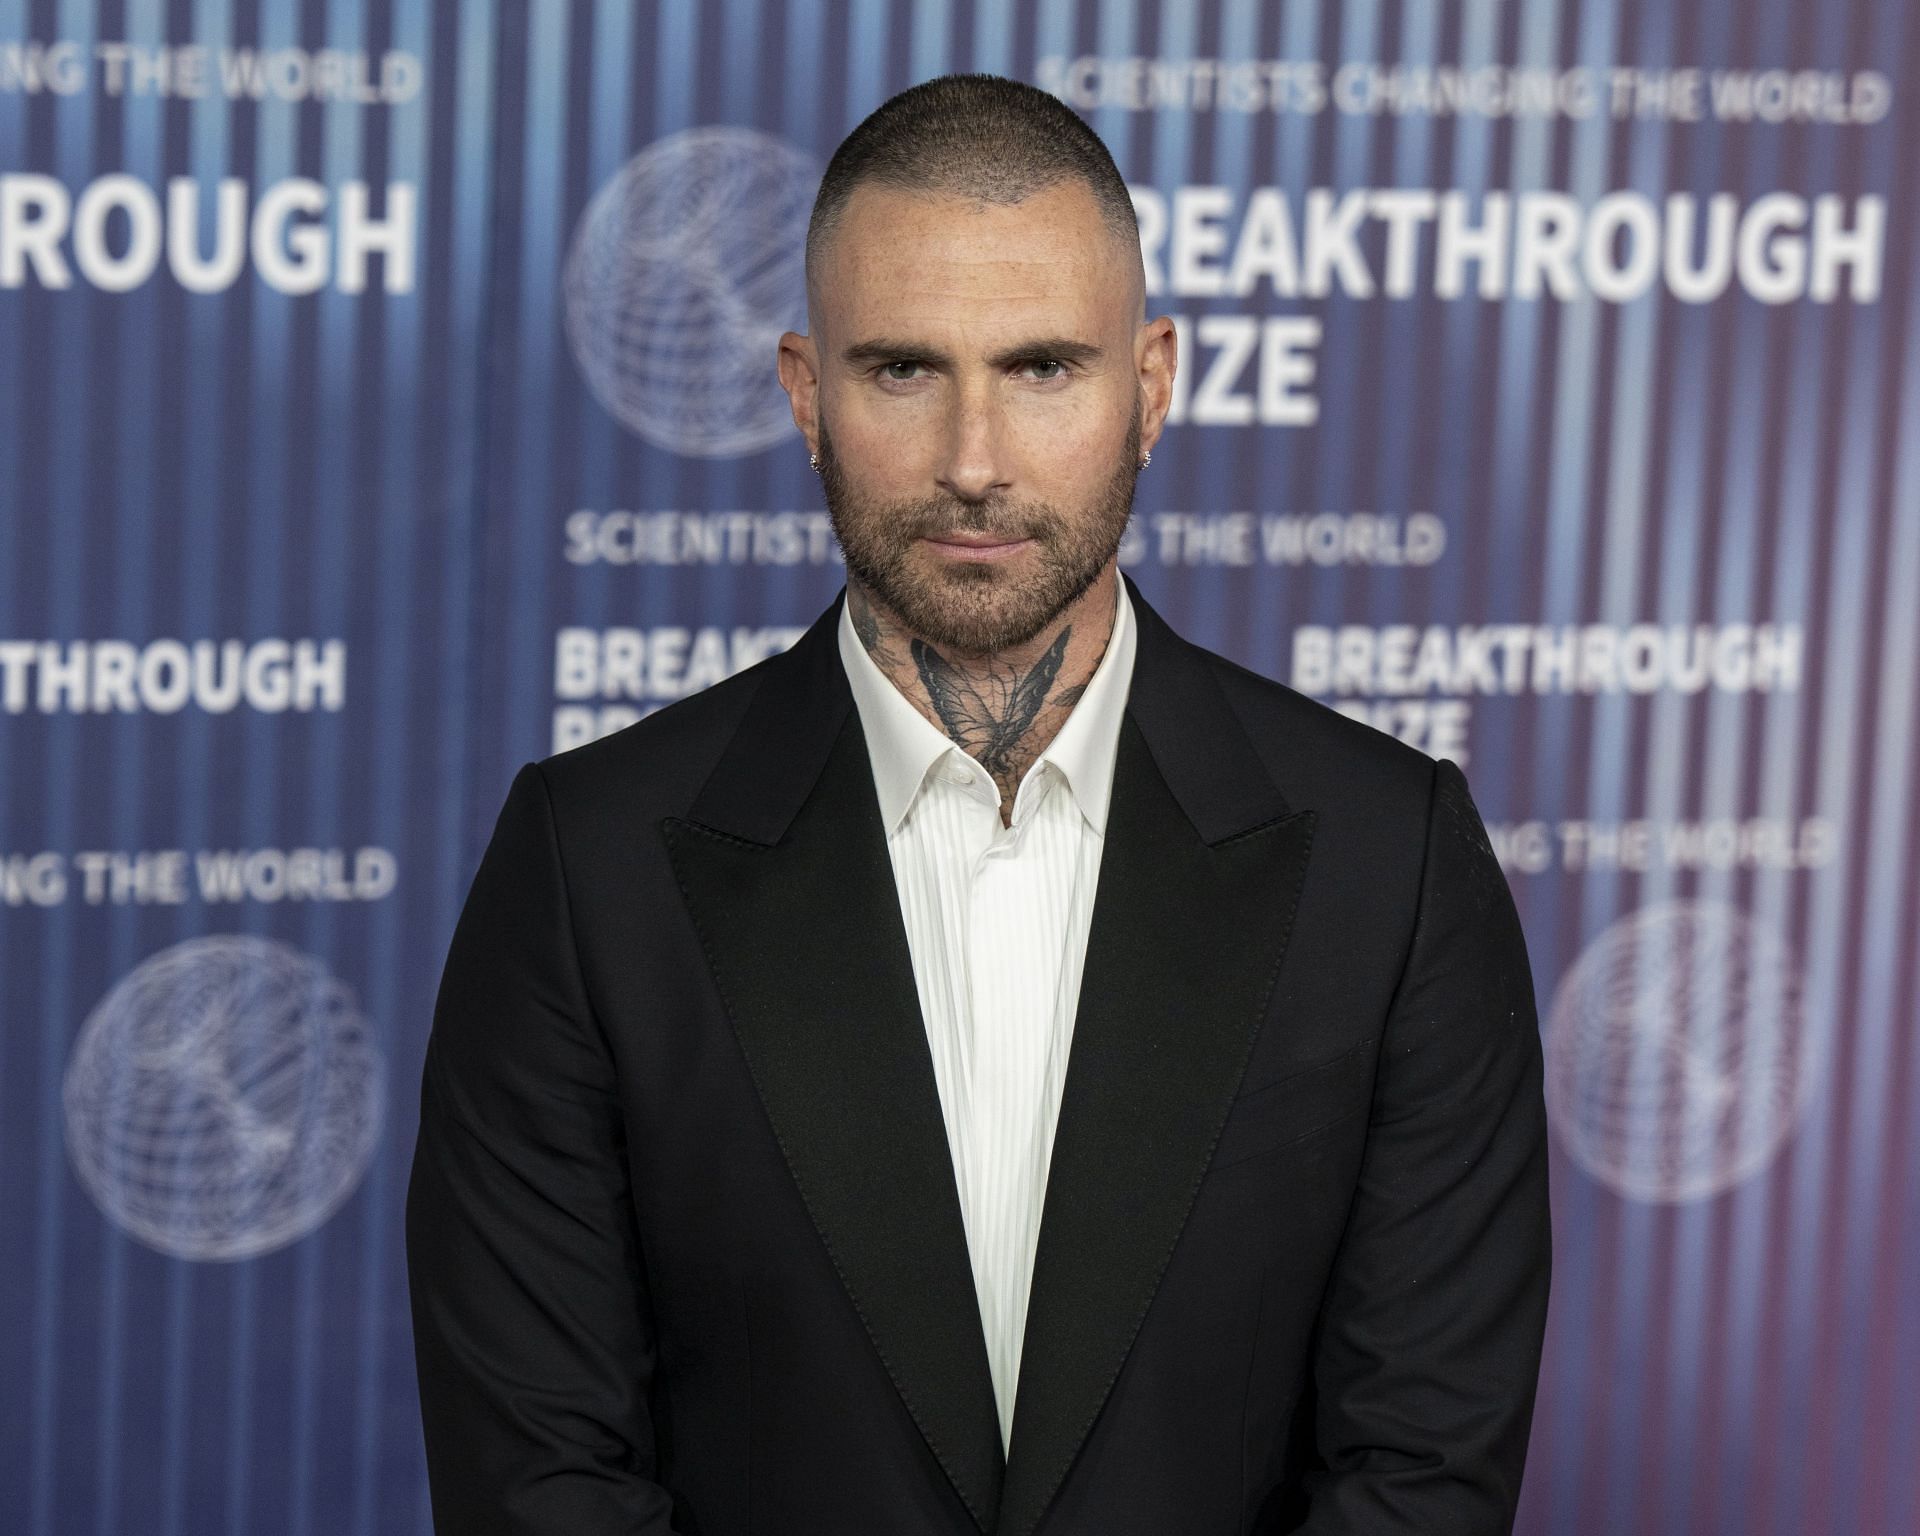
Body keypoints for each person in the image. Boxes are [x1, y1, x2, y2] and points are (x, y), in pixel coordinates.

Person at [406, 73, 1550, 1536]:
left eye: (1042, 369)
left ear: (1152, 385)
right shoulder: (591, 868)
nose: (972, 462)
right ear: (804, 391)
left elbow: (1421, 1476)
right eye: (901, 370)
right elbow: (538, 1484)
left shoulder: (1389, 868)